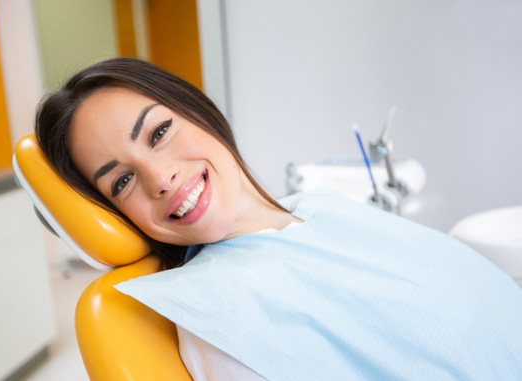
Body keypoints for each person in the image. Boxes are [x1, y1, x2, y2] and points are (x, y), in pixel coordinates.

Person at [36, 57, 522, 380]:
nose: (160, 177)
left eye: (159, 132)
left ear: (198, 111)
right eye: (121, 182)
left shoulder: (323, 206)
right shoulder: (219, 319)